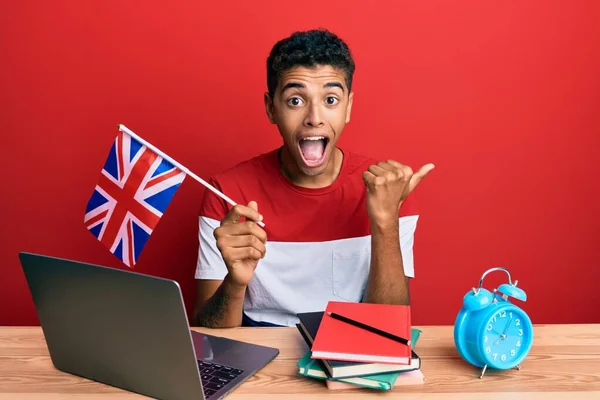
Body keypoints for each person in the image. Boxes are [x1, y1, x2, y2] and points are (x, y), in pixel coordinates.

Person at [193, 29, 434, 328]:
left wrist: (384, 222)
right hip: (261, 342)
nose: (314, 117)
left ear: (348, 107)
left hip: (354, 340)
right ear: (271, 108)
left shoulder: (387, 189)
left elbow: (390, 329)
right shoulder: (227, 192)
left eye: (331, 99)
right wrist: (235, 283)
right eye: (296, 100)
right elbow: (208, 333)